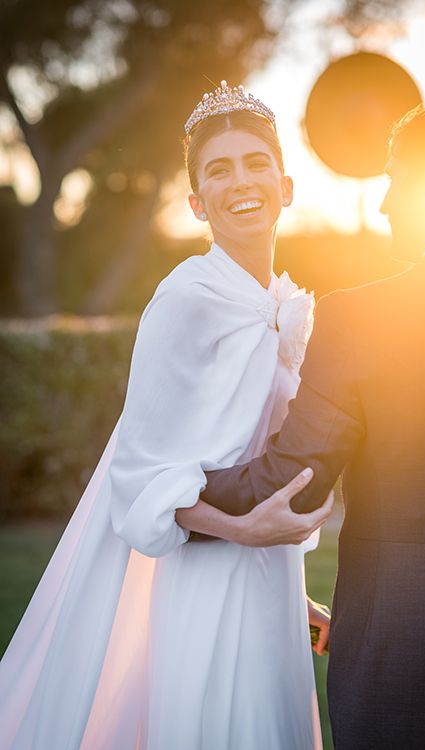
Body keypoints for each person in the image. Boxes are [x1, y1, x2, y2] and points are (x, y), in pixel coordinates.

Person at [0, 81, 333, 750]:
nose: (240, 180)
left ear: (287, 184)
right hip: (203, 575)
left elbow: (255, 457)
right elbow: (138, 477)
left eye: (254, 162)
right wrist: (243, 533)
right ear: (196, 202)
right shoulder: (184, 297)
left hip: (270, 579)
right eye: (218, 169)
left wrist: (289, 597)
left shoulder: (281, 303)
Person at [183, 106, 425, 749]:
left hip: (403, 641)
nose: (384, 204)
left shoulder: (360, 318)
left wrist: (165, 493)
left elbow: (292, 482)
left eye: (396, 179)